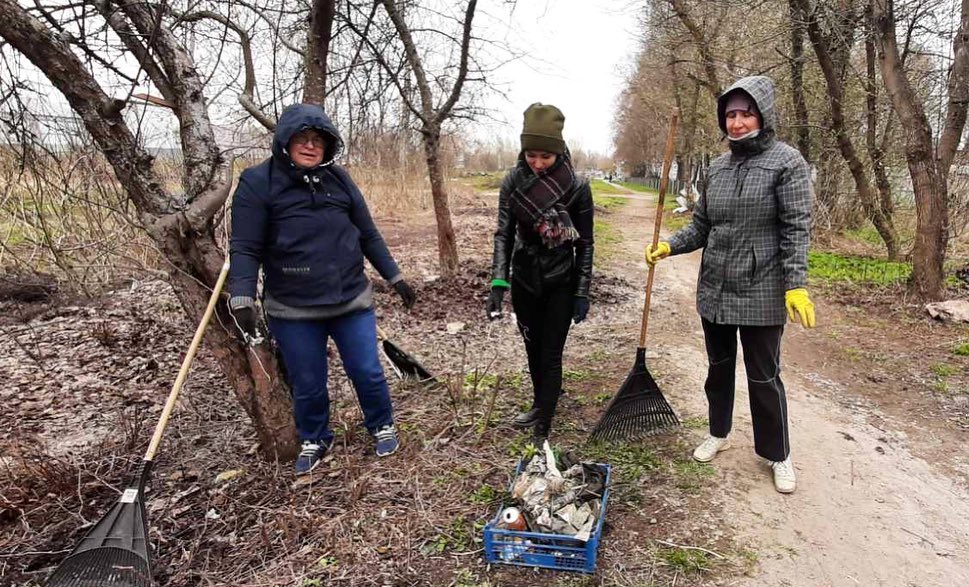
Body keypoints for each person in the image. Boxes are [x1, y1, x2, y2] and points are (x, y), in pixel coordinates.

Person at [645, 76, 815, 494]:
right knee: (718, 369)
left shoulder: (787, 163)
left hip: (762, 289)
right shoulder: (718, 168)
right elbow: (703, 225)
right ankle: (717, 432)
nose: (736, 123)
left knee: (764, 377)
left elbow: (796, 229)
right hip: (716, 286)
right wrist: (669, 245)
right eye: (730, 115)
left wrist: (796, 284)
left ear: (763, 115)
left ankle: (777, 454)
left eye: (745, 113)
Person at [228, 104, 416, 475]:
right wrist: (242, 293)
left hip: (350, 298)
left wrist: (395, 277)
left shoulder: (340, 181)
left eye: (319, 140)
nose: (312, 146)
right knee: (308, 379)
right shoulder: (257, 182)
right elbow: (245, 246)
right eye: (303, 138)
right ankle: (315, 436)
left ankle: (381, 424)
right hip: (293, 307)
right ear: (285, 141)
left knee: (367, 370)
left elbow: (368, 234)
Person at [487, 103, 594, 443]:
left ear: (558, 151)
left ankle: (544, 425)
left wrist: (582, 291)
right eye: (531, 155)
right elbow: (503, 234)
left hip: (561, 278)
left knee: (551, 353)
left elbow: (586, 244)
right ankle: (539, 403)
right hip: (524, 278)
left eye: (545, 157)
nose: (537, 163)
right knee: (532, 348)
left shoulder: (577, 186)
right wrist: (498, 282)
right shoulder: (513, 182)